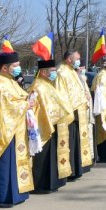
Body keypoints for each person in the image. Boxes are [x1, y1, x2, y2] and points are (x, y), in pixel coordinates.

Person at [0, 40, 34, 208]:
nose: (18, 69)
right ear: (4, 68)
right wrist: (26, 104)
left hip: (16, 128)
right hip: (4, 128)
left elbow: (20, 97)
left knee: (16, 161)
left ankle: (17, 194)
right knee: (5, 163)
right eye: (15, 66)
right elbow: (6, 104)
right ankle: (2, 196)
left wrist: (27, 100)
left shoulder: (11, 81)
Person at [29, 55, 74, 193]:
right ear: (43, 72)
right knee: (43, 157)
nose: (55, 73)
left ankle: (53, 182)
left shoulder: (48, 85)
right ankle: (41, 184)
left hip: (55, 123)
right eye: (52, 70)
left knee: (52, 155)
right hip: (44, 125)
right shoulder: (37, 86)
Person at [57, 50, 94, 178]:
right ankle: (70, 170)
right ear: (69, 59)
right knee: (69, 143)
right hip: (70, 114)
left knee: (76, 143)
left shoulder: (72, 71)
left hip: (79, 113)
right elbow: (61, 95)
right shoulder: (61, 72)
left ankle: (76, 169)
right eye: (77, 58)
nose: (79, 61)